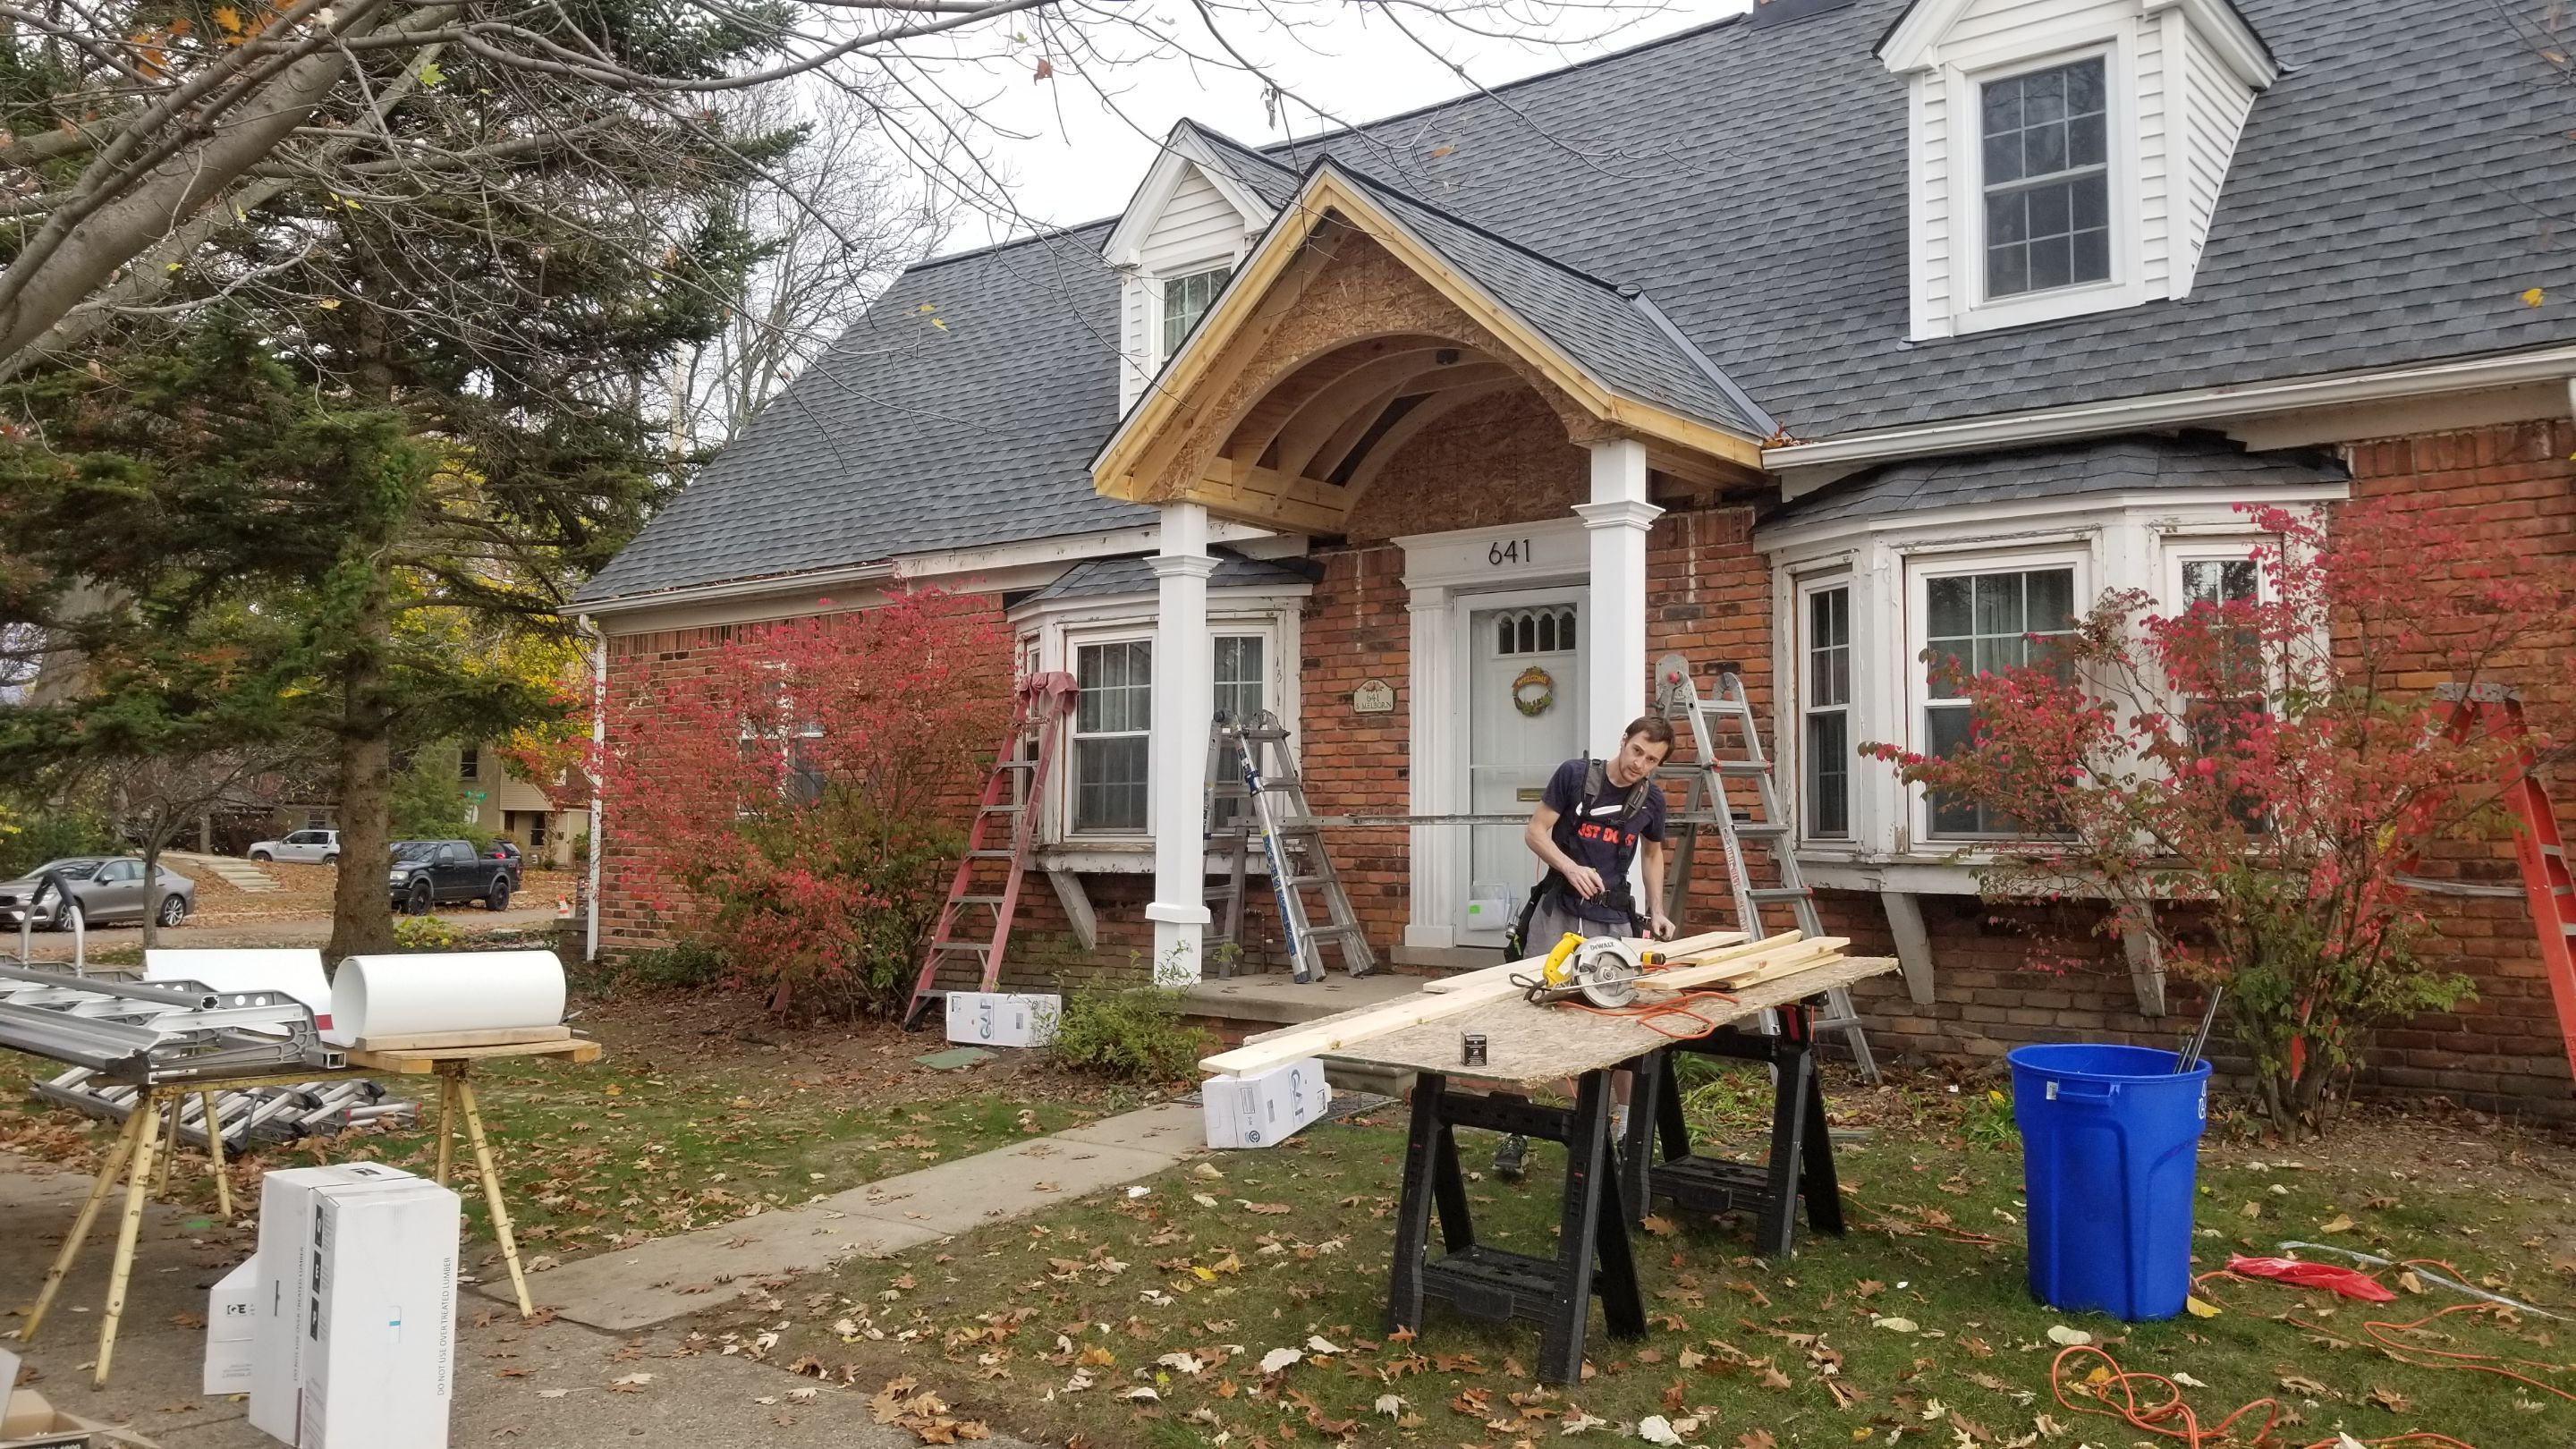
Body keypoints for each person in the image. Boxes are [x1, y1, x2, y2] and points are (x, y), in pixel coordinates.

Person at [1491, 715, 1677, 1182]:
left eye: (1652, 760)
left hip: (1611, 921)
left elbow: (1653, 854)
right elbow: (1536, 830)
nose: (1640, 764)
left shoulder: (1650, 799)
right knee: (1529, 1016)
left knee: (1617, 1025)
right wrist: (1570, 867)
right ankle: (1515, 1129)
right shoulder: (1576, 776)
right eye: (1637, 751)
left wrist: (1657, 909)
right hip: (1556, 912)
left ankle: (1623, 1130)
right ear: (1624, 742)